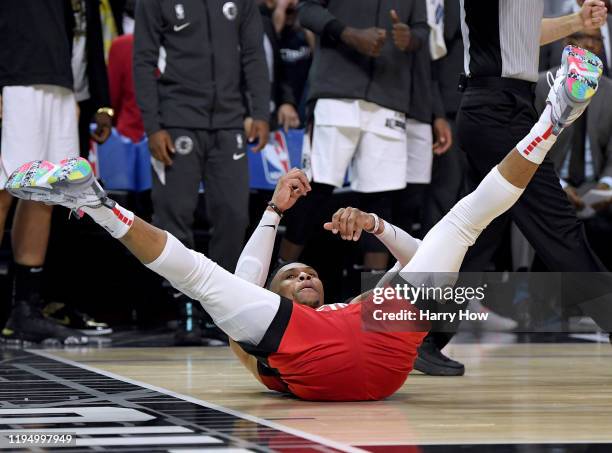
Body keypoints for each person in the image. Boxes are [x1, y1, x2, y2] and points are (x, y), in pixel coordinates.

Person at [6, 45, 604, 398]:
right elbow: (243, 283)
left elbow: (423, 257)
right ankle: (92, 201)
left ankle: (555, 117)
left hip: (379, 331)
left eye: (305, 274)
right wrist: (272, 215)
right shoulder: (263, 334)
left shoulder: (351, 304)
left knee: (459, 225)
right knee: (202, 276)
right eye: (292, 277)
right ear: (276, 293)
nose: (305, 276)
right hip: (314, 347)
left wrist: (375, 224)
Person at [421, 0, 611, 375]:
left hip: (508, 108)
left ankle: (422, 336)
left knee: (477, 235)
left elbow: (525, 37)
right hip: (495, 111)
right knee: (559, 229)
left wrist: (577, 20)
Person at [134, 0, 270, 345]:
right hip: (176, 119)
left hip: (228, 122)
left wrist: (261, 111)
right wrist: (153, 126)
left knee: (233, 215)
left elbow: (253, 54)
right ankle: (185, 308)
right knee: (173, 216)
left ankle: (218, 307)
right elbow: (144, 59)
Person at [278, 0, 429, 273]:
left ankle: (375, 302)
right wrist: (348, 33)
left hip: (389, 97)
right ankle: (277, 282)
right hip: (336, 92)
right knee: (312, 190)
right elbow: (307, 10)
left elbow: (422, 31)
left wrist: (410, 39)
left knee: (380, 203)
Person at [0, 0, 88, 345]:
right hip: (12, 76)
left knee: (45, 193)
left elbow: (75, 24)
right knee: (4, 189)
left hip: (57, 77)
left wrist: (77, 90)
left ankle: (25, 310)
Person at [536, 29, 612, 268]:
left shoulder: (610, 91)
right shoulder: (542, 86)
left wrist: (607, 184)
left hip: (595, 187)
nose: (591, 45)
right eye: (583, 38)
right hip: (551, 182)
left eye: (596, 40)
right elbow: (534, 147)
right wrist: (561, 186)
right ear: (568, 44)